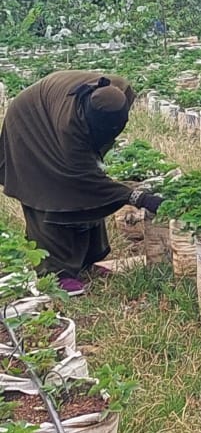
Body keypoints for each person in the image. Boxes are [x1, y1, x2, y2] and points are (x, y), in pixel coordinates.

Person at [0, 71, 163, 294]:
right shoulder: (69, 129)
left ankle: (85, 263)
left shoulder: (120, 91)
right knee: (52, 193)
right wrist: (139, 197)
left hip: (50, 105)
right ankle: (56, 273)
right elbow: (86, 179)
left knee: (86, 201)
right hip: (29, 124)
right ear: (89, 118)